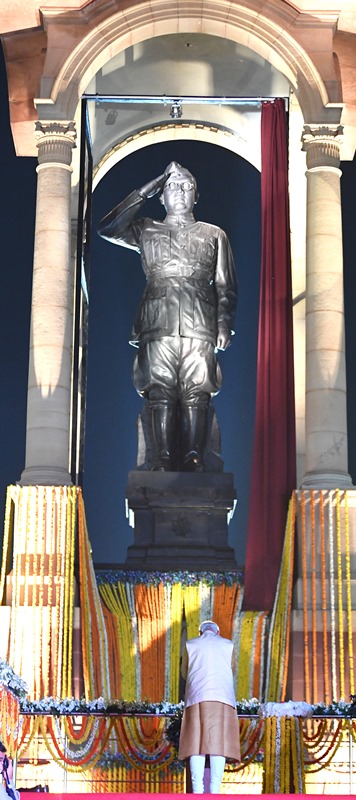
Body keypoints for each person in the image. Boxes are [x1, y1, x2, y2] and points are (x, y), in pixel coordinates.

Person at [97, 161, 237, 472]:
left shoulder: (214, 234)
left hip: (199, 320)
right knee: (158, 389)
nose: (179, 192)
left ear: (196, 196)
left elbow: (226, 284)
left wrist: (224, 323)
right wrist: (146, 188)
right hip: (156, 320)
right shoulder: (146, 229)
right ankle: (159, 458)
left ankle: (194, 456)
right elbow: (107, 227)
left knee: (196, 390)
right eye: (172, 186)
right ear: (162, 195)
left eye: (186, 186)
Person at [178, 620, 240, 793]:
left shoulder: (191, 644)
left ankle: (197, 790)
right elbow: (231, 669)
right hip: (222, 697)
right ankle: (215, 790)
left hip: (196, 697)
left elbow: (185, 672)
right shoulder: (228, 645)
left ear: (200, 632)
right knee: (218, 745)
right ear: (217, 632)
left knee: (195, 744)